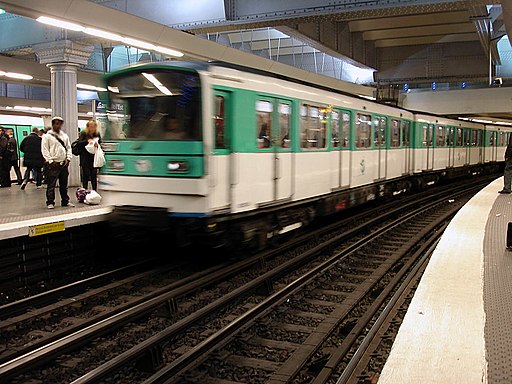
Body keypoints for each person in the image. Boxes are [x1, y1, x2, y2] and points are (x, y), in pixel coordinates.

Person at [41, 116, 74, 209]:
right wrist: (50, 161)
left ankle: (65, 201)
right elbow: (45, 150)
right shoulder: (47, 136)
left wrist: (68, 159)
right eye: (56, 123)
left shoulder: (65, 136)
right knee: (51, 185)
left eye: (60, 123)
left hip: (63, 164)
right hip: (53, 165)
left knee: (64, 185)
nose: (58, 125)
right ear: (53, 124)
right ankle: (50, 202)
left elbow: (68, 148)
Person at [76, 120, 102, 191]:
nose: (92, 128)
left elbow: (100, 143)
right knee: (86, 175)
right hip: (85, 157)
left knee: (94, 175)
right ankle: (84, 190)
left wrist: (97, 144)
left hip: (94, 158)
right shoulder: (84, 133)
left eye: (93, 126)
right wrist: (87, 141)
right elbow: (79, 143)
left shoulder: (97, 134)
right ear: (88, 127)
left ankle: (94, 191)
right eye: (90, 126)